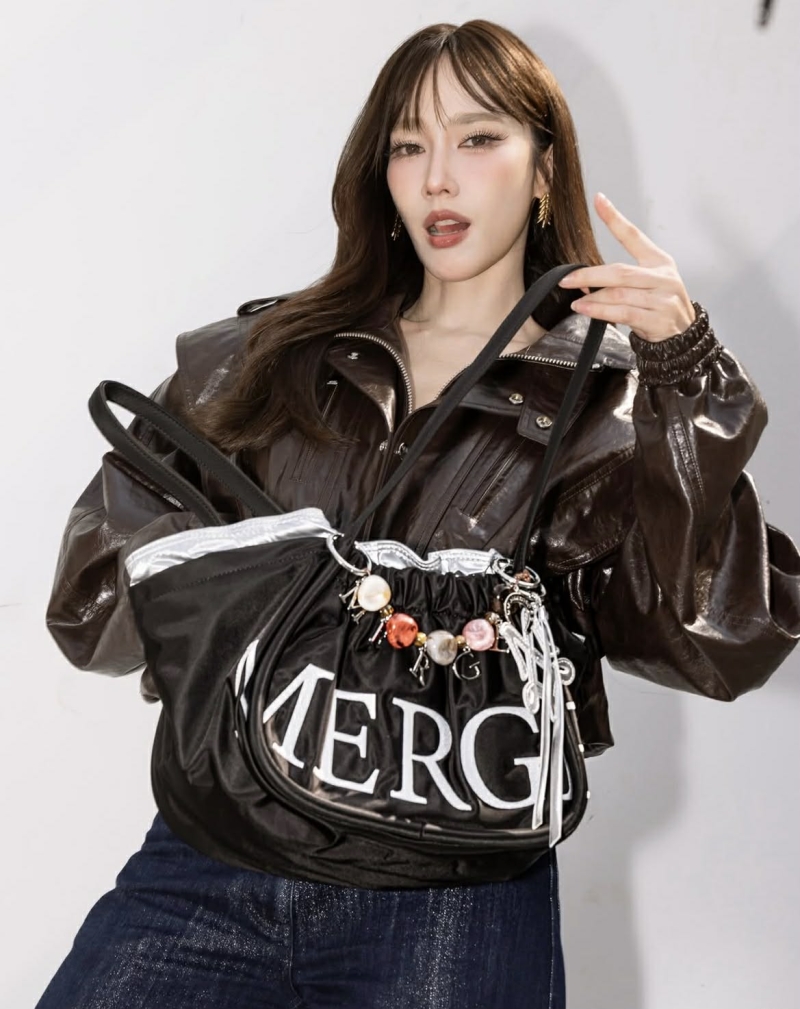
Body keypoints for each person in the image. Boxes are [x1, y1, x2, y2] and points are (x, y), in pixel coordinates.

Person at [38, 18, 800, 1009]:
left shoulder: (609, 403)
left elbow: (721, 640)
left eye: (477, 138)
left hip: (451, 898)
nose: (437, 177)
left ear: (543, 168)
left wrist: (685, 381)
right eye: (408, 145)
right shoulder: (264, 356)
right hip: (210, 862)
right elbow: (93, 605)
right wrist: (244, 585)